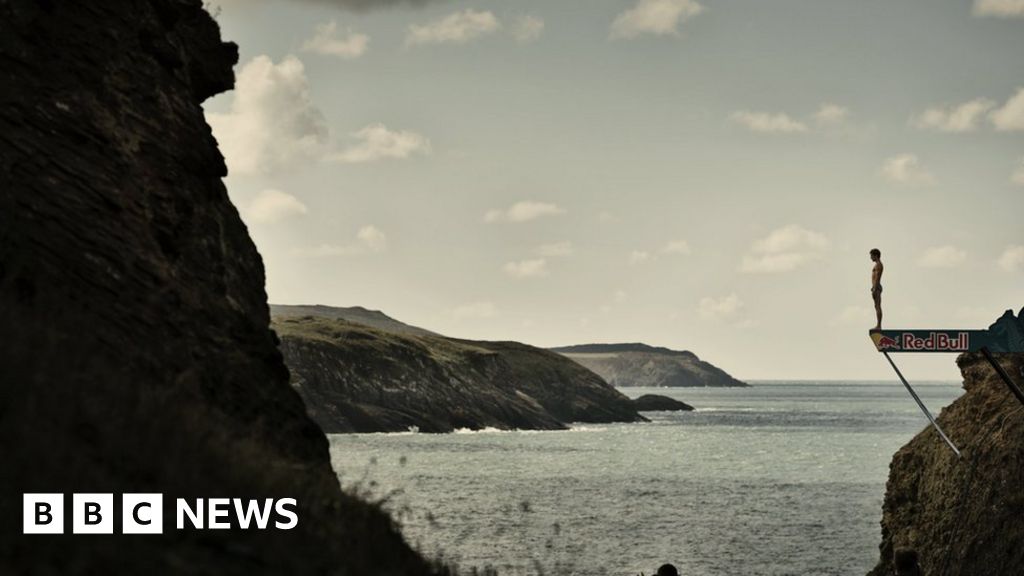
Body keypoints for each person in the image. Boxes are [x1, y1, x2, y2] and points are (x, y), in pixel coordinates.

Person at [870, 248, 884, 331]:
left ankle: (879, 325)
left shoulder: (879, 265)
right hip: (875, 287)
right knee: (876, 306)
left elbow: (877, 277)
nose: (871, 257)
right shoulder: (877, 265)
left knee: (878, 306)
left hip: (877, 287)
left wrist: (875, 288)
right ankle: (878, 325)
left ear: (875, 255)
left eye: (871, 256)